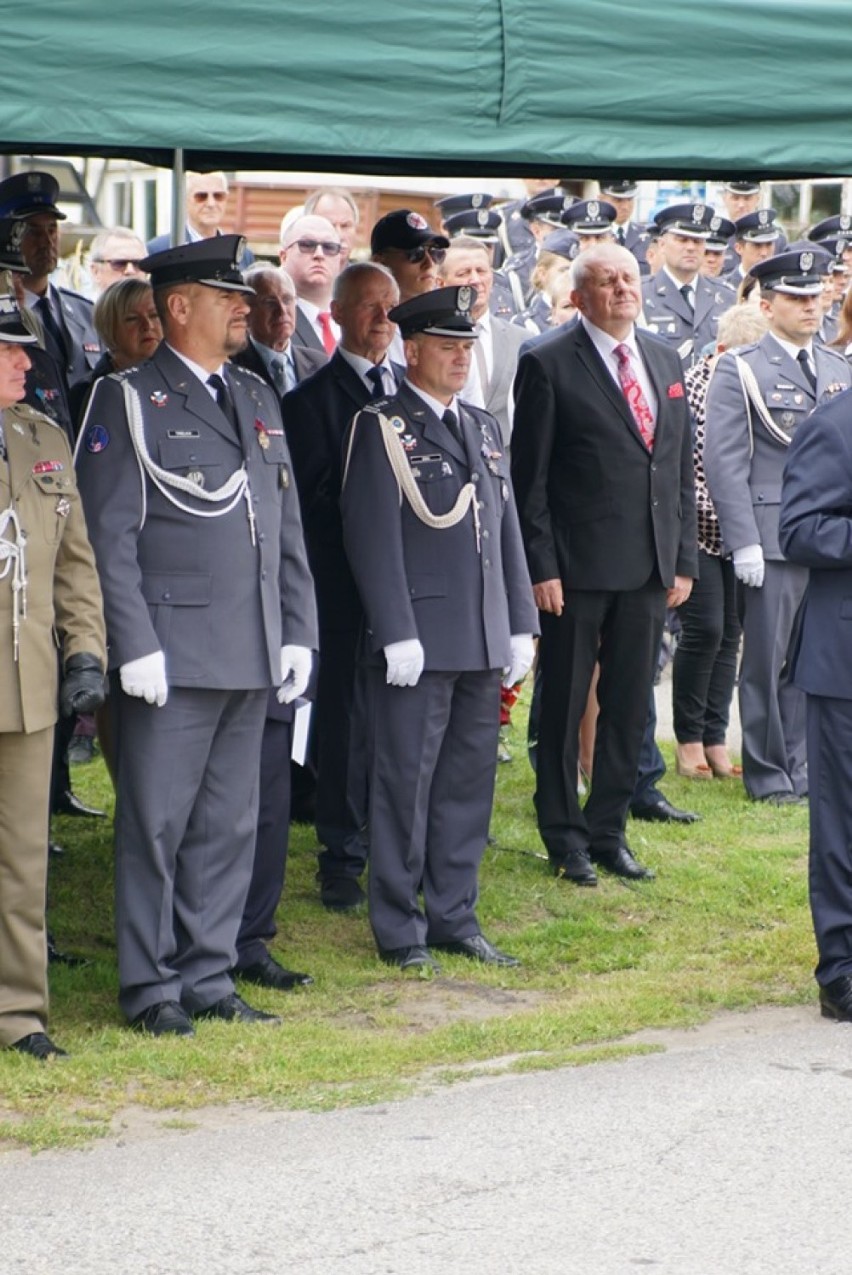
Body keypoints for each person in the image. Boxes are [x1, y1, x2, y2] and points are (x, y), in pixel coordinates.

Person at [74, 235, 317, 1035]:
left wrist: (296, 629)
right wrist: (132, 643)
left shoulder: (254, 396)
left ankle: (209, 974)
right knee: (155, 824)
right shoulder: (127, 398)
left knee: (228, 824)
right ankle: (150, 987)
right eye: (227, 297)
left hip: (248, 643)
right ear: (180, 307)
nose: (243, 308)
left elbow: (283, 527)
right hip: (170, 652)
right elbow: (105, 537)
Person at [340, 285, 537, 970]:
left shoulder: (481, 425)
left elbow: (505, 526)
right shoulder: (382, 425)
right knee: (404, 784)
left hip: (480, 633)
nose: (460, 358)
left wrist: (519, 620)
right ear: (412, 348)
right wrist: (395, 628)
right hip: (419, 638)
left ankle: (455, 914)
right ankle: (399, 925)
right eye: (448, 346)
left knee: (465, 783)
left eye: (467, 346)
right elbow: (370, 533)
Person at [511, 243, 697, 885]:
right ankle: (564, 837)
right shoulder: (547, 361)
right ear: (578, 296)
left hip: (649, 569)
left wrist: (682, 560)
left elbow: (675, 468)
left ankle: (609, 830)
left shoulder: (665, 358)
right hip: (576, 569)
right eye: (605, 281)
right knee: (562, 708)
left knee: (629, 706)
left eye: (628, 278)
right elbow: (527, 479)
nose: (622, 288)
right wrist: (541, 565)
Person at [704, 246, 852, 804]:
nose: (811, 307)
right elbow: (724, 461)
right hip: (768, 537)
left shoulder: (838, 367)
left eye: (816, 297)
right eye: (796, 298)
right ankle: (767, 774)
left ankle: (802, 765)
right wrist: (742, 541)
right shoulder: (740, 367)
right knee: (766, 664)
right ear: (766, 307)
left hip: (828, 539)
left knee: (813, 659)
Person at [0, 287, 106, 1059]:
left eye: (22, 350)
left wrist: (86, 652)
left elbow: (76, 564)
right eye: (5, 352)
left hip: (28, 681)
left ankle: (19, 1014)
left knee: (22, 859)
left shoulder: (43, 437)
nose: (21, 363)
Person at [283, 261, 402, 912]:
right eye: (368, 307)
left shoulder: (412, 392)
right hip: (343, 590)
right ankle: (340, 858)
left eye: (391, 306)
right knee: (346, 726)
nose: (383, 318)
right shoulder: (309, 403)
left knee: (401, 723)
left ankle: (395, 843)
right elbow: (303, 506)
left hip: (411, 593)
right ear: (339, 313)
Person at [779, 374, 852, 1021]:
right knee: (844, 824)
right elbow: (799, 529)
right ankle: (842, 968)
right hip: (844, 661)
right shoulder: (834, 423)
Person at [672, 304, 768, 781]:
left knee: (730, 634)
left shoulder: (753, 386)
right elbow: (691, 471)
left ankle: (714, 737)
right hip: (697, 529)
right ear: (721, 350)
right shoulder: (691, 389)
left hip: (739, 529)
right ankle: (687, 739)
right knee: (704, 629)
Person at [0, 171, 103, 391]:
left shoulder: (86, 314)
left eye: (52, 229)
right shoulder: (5, 312)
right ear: (7, 237)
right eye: (32, 232)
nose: (46, 241)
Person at [437, 236, 527, 447]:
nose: (475, 279)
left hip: (507, 467)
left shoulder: (523, 340)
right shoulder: (429, 341)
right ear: (441, 283)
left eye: (481, 271)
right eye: (464, 273)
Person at [641, 203, 736, 367]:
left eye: (698, 241)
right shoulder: (640, 294)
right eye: (682, 240)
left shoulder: (726, 296)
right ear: (662, 245)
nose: (691, 247)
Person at [70, 277, 163, 429]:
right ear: (109, 328)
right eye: (132, 319)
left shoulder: (180, 379)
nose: (147, 325)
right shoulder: (89, 393)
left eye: (154, 315)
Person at [232, 264, 327, 396]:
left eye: (287, 300)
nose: (282, 311)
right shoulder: (231, 367)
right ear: (246, 312)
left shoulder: (321, 365)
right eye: (269, 303)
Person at [370, 209, 449, 363]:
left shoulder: (448, 317)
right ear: (380, 262)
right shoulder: (363, 323)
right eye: (415, 253)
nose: (429, 263)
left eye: (435, 252)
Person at [146, 171, 255, 264]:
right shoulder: (159, 249)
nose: (211, 203)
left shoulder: (243, 254)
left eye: (218, 196)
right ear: (185, 200)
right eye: (201, 196)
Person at [279, 213, 343, 355]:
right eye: (307, 245)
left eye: (329, 247)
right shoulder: (272, 318)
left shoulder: (353, 320)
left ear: (340, 259)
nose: (319, 254)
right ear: (284, 257)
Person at [304, 187, 360, 266]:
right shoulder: (293, 277)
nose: (339, 236)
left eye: (345, 226)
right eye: (330, 226)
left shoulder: (366, 277)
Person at [87, 227, 148, 295]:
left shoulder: (158, 304)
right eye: (120, 264)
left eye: (138, 264)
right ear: (96, 272)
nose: (130, 270)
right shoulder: (81, 305)